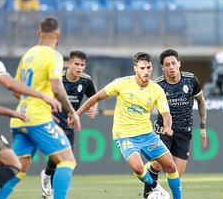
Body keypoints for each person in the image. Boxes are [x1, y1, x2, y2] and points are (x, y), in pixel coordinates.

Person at [0, 17, 81, 199]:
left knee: (18, 170)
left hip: (20, 117)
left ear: (38, 33)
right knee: (67, 162)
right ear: (58, 35)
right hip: (37, 118)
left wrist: (37, 102)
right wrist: (72, 112)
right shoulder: (53, 56)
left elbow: (17, 89)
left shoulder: (28, 55)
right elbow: (57, 87)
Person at [77, 52, 182, 199]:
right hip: (125, 135)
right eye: (142, 68)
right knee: (138, 168)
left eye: (148, 67)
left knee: (171, 165)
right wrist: (77, 114)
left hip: (147, 134)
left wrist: (168, 126)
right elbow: (96, 97)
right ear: (135, 69)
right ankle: (155, 186)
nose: (146, 71)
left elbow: (166, 114)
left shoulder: (156, 90)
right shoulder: (122, 83)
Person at [0, 17, 61, 199]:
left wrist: (11, 113)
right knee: (14, 165)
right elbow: (10, 84)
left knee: (9, 164)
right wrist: (42, 95)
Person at [142, 49, 207, 198]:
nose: (171, 67)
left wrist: (202, 126)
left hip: (184, 132)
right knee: (158, 164)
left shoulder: (190, 80)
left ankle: (160, 187)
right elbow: (147, 108)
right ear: (162, 67)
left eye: (173, 63)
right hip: (163, 130)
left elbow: (201, 101)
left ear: (179, 63)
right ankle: (147, 194)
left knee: (176, 173)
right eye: (167, 65)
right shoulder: (157, 84)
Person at [40, 50, 97, 198]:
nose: (79, 68)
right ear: (69, 64)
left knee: (64, 159)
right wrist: (48, 111)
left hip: (70, 124)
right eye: (76, 64)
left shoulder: (86, 80)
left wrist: (93, 108)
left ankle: (46, 175)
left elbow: (94, 97)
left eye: (82, 65)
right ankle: (51, 189)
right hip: (54, 121)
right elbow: (43, 95)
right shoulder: (57, 78)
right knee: (61, 156)